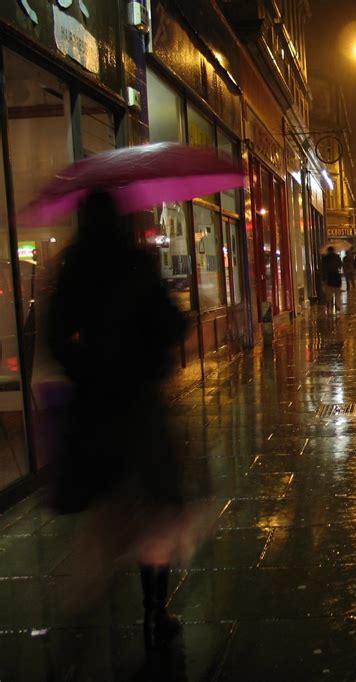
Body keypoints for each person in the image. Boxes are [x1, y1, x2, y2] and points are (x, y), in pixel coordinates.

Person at [47, 190, 192, 650]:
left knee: (106, 506)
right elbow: (171, 325)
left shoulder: (72, 269)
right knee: (152, 508)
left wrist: (83, 368)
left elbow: (54, 335)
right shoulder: (137, 264)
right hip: (138, 407)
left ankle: (87, 601)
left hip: (93, 408)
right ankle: (155, 609)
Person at [321, 246, 343, 312]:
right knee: (337, 292)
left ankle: (329, 307)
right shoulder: (337, 257)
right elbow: (340, 265)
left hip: (328, 278)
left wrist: (323, 279)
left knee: (329, 294)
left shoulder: (325, 258)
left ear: (328, 251)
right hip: (336, 277)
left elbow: (323, 269)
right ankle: (337, 304)